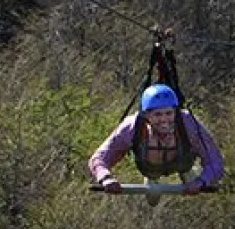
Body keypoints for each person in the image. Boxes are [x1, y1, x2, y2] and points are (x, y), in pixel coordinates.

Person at [89, 83, 224, 202]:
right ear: (147, 116)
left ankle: (187, 173)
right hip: (149, 167)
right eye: (158, 115)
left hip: (182, 162)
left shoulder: (189, 124)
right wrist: (105, 177)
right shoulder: (132, 127)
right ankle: (152, 177)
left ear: (175, 113)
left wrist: (202, 181)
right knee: (152, 198)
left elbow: (215, 160)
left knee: (191, 183)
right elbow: (99, 158)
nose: (164, 120)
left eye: (168, 113)